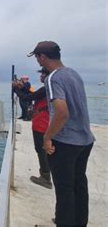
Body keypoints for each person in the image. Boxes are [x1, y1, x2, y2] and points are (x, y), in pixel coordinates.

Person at [28, 41, 95, 226]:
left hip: (65, 142)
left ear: (42, 57)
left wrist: (48, 136)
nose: (37, 61)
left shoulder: (52, 78)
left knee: (64, 190)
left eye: (37, 58)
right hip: (85, 140)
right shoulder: (73, 73)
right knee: (79, 185)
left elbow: (61, 112)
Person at [13, 68, 52, 189]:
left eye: (42, 74)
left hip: (42, 124)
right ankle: (47, 174)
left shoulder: (46, 89)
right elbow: (29, 94)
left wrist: (15, 89)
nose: (40, 76)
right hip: (45, 122)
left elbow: (27, 97)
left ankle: (45, 177)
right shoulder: (52, 88)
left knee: (41, 150)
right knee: (45, 150)